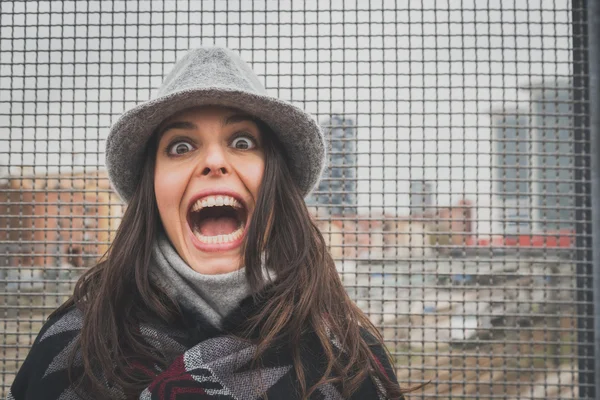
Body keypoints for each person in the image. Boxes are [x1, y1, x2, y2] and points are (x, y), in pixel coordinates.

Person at [8, 47, 406, 399]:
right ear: (152, 191)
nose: (214, 162)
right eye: (181, 146)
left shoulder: (351, 362)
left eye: (242, 142)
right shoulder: (71, 349)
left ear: (274, 182)